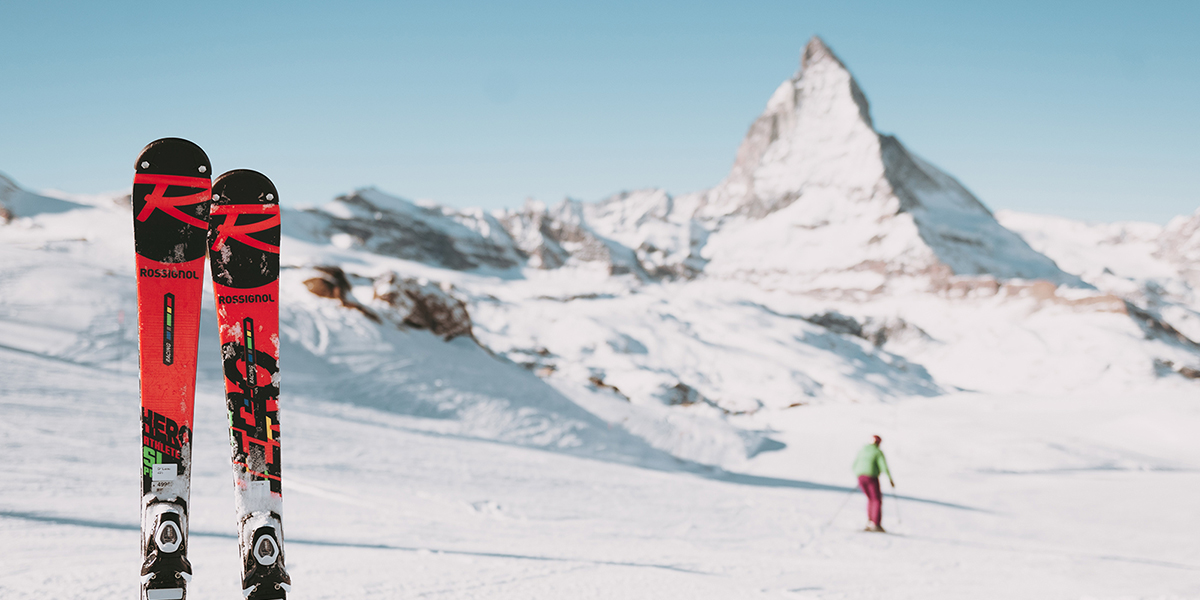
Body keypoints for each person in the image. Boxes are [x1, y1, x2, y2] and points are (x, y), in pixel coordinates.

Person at [852, 435, 894, 532]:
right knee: (876, 500)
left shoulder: (862, 450)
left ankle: (870, 521)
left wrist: (860, 476)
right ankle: (875, 523)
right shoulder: (877, 451)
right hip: (871, 477)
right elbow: (883, 466)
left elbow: (854, 465)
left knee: (870, 499)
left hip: (861, 477)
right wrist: (890, 479)